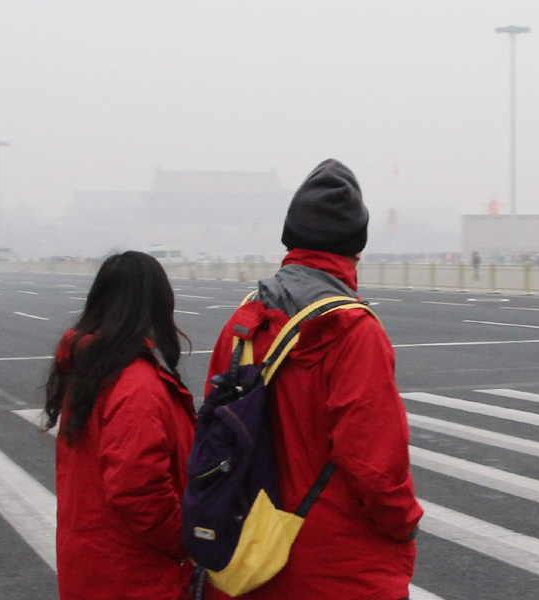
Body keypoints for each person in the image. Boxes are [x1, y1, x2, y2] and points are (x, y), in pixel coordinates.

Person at [205, 159, 423, 600]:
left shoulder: (244, 322)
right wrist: (404, 527)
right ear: (355, 248)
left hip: (249, 557)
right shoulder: (352, 331)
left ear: (291, 238)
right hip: (339, 571)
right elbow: (376, 467)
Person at [44, 251, 195, 600]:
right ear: (157, 305)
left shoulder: (89, 372)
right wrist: (186, 542)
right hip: (138, 576)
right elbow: (137, 489)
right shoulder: (136, 383)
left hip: (94, 566)